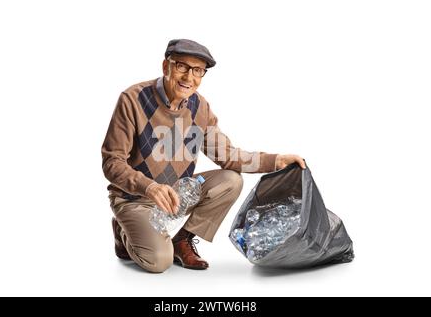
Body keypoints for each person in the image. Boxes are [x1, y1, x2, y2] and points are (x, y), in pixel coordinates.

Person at [101, 39, 306, 273]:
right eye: (182, 67)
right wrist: (149, 188)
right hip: (135, 198)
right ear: (165, 66)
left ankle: (182, 239)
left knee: (231, 180)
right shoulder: (132, 99)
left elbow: (227, 155)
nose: (189, 77)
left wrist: (276, 160)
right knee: (158, 262)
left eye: (198, 71)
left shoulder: (200, 108)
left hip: (176, 194)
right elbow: (112, 162)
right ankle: (123, 232)